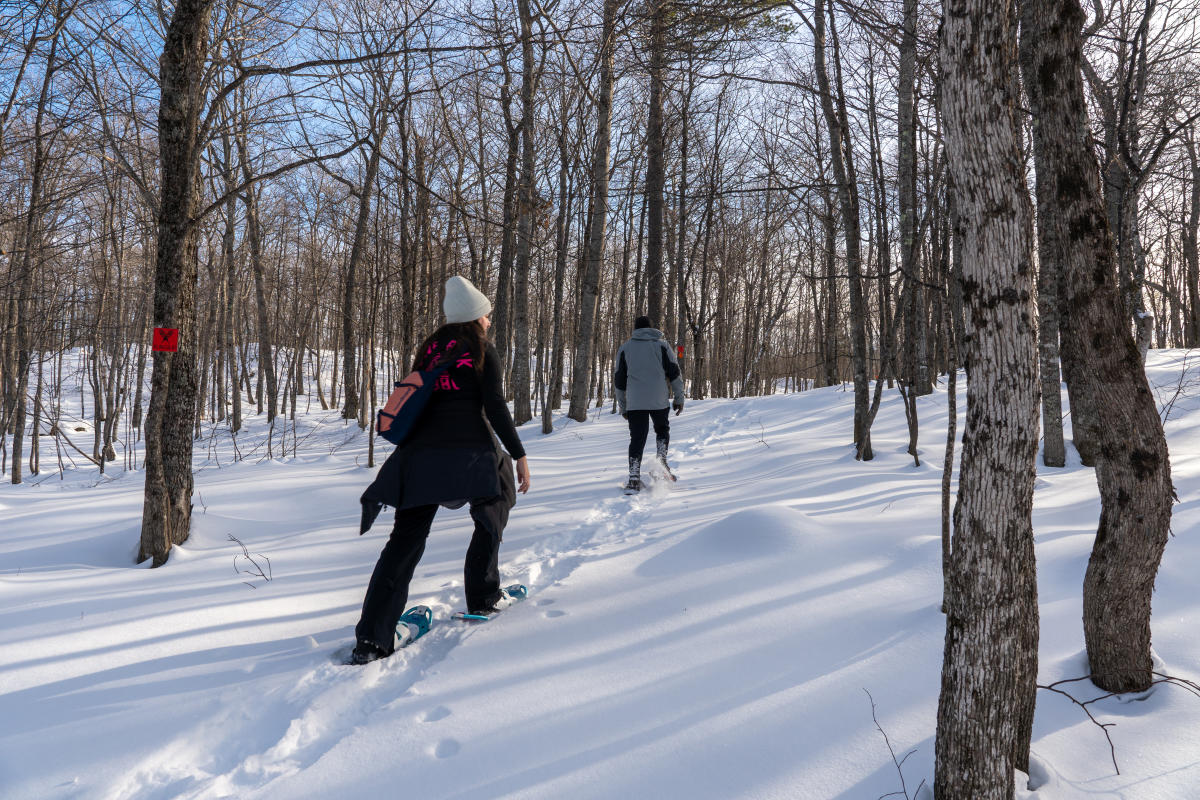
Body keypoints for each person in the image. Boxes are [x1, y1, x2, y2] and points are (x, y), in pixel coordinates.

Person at [351, 276, 532, 665]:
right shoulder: (484, 350)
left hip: (419, 458)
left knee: (404, 542)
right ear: (476, 316)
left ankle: (371, 638)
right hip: (471, 454)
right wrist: (518, 454)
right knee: (495, 504)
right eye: (486, 314)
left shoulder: (430, 349)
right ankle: (483, 595)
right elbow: (496, 407)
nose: (488, 320)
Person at [613, 315, 685, 492]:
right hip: (659, 400)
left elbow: (619, 382)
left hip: (635, 402)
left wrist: (623, 406)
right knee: (662, 430)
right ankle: (661, 464)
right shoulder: (662, 345)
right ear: (651, 328)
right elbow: (675, 373)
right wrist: (679, 398)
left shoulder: (625, 348)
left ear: (635, 330)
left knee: (637, 438)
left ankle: (634, 478)